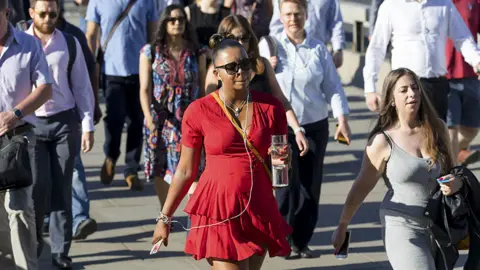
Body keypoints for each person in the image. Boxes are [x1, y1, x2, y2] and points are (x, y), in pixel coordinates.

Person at [152, 35, 292, 269]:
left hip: (258, 206)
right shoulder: (199, 111)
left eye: (245, 65)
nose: (240, 72)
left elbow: (279, 174)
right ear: (216, 73)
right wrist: (164, 218)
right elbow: (186, 170)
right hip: (218, 209)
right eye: (231, 67)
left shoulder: (271, 108)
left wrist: (283, 162)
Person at [332, 68, 463, 269]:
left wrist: (456, 182)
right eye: (403, 90)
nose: (412, 94)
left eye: (414, 88)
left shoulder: (438, 128)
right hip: (401, 225)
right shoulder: (383, 141)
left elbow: (453, 171)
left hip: (438, 227)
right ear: (392, 99)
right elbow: (361, 187)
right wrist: (342, 225)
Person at [259, 0, 350, 259]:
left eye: (298, 13)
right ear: (280, 15)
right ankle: (282, 240)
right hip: (281, 129)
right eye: (287, 14)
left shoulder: (318, 49)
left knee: (310, 187)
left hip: (315, 126)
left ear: (306, 15)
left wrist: (341, 118)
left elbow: (333, 87)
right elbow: (254, 80)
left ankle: (301, 241)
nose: (293, 19)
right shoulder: (269, 46)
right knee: (284, 186)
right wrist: (266, 67)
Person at [27, 0, 95, 268]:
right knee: (37, 189)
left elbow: (81, 86)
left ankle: (60, 253)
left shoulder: (68, 42)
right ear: (31, 12)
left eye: (53, 13)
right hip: (32, 124)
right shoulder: (21, 40)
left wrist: (87, 124)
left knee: (62, 190)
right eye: (42, 13)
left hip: (64, 123)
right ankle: (32, 248)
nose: (48, 18)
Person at [205, 14, 309, 156]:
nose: (240, 43)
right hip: (232, 143)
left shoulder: (262, 64)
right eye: (234, 38)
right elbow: (208, 111)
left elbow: (281, 100)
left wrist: (297, 130)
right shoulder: (215, 71)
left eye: (244, 37)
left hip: (266, 141)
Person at [0, 0, 53, 269]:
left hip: (17, 139)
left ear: (6, 12)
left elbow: (45, 87)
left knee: (19, 208)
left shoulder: (28, 44)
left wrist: (15, 114)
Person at [363, 0, 480, 121]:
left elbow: (463, 38)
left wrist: (477, 61)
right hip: (404, 88)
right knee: (406, 136)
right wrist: (370, 89)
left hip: (436, 86)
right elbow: (377, 48)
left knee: (436, 138)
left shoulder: (444, 4)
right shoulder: (391, 5)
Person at [86, 0, 159, 190]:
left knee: (137, 120)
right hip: (111, 70)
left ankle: (132, 169)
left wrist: (155, 66)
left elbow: (153, 33)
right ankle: (111, 156)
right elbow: (91, 34)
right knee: (114, 119)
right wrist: (88, 64)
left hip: (140, 69)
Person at [139, 5, 206, 208]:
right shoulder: (150, 52)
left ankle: (193, 211)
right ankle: (165, 209)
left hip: (189, 118)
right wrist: (149, 119)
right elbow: (144, 89)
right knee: (160, 168)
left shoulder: (197, 52)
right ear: (164, 23)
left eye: (181, 20)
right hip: (161, 119)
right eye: (172, 20)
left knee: (193, 167)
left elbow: (202, 89)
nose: (177, 23)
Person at [56, 4, 100, 240]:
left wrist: (92, 108)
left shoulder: (73, 35)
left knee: (74, 167)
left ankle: (80, 218)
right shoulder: (25, 35)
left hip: (69, 115)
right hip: (33, 118)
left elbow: (90, 71)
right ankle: (47, 218)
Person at [446, 0, 480, 167]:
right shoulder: (433, 3)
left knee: (471, 129)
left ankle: (451, 153)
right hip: (441, 75)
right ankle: (451, 173)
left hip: (470, 72)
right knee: (451, 129)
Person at [269, 0, 344, 68]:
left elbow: (335, 21)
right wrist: (273, 51)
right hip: (288, 54)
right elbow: (277, 25)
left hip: (318, 54)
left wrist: (338, 49)